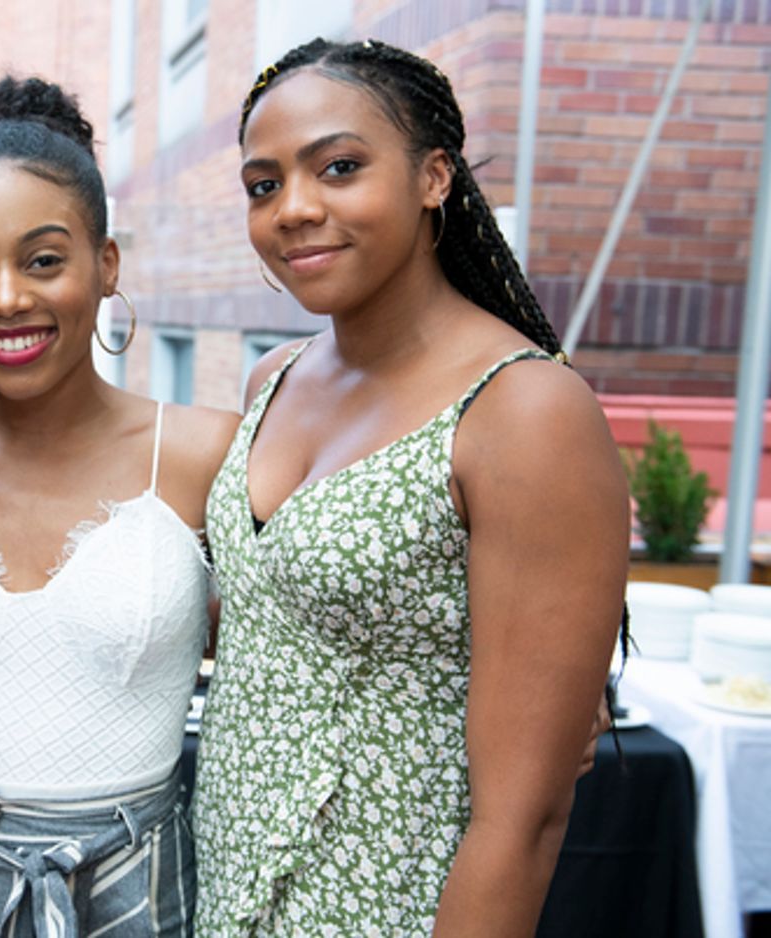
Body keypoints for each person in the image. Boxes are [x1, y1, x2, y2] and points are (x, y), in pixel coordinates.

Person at [190, 38, 630, 936]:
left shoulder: (523, 411)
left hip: (392, 906)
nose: (294, 209)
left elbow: (525, 820)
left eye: (339, 167)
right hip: (233, 888)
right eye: (263, 185)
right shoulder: (271, 378)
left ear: (435, 176)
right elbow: (271, 626)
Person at [0, 76, 240, 936]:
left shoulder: (206, 454)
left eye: (43, 259)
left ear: (105, 263)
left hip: (141, 888)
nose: (6, 298)